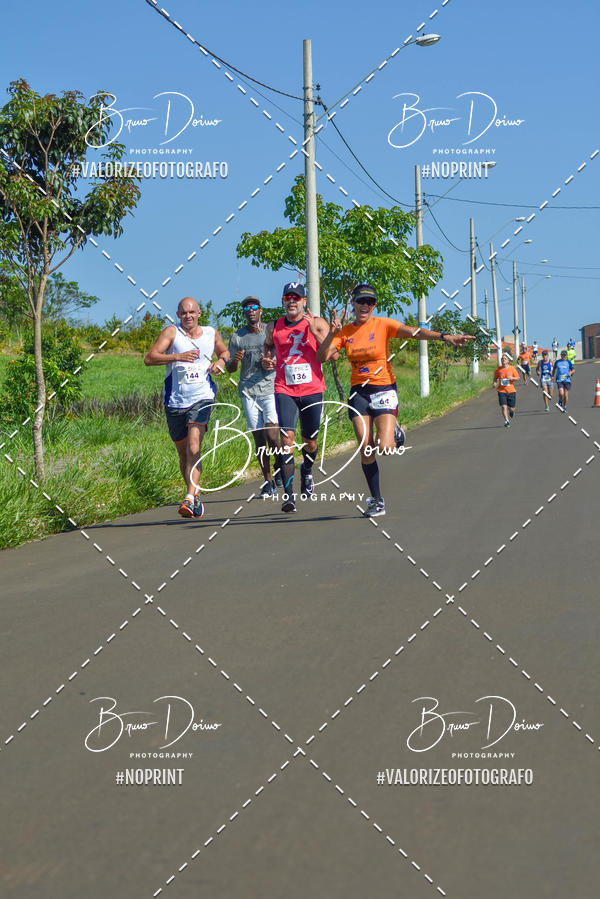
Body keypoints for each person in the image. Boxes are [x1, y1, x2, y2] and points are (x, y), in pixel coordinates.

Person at [317, 283, 474, 517]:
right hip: (358, 391)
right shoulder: (345, 331)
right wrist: (331, 332)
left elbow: (415, 332)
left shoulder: (383, 324)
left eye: (369, 302)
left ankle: (394, 432)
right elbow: (321, 357)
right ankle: (377, 500)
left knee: (386, 447)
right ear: (353, 303)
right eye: (361, 301)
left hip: (384, 389)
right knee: (365, 448)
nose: (365, 306)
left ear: (374, 305)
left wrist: (445, 337)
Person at [144, 297, 229, 518]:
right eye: (183, 313)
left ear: (199, 313)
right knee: (183, 453)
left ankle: (189, 498)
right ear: (178, 315)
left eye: (192, 312)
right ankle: (195, 494)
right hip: (175, 401)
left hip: (202, 397)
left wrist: (220, 363)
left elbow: (225, 353)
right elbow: (149, 358)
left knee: (194, 447)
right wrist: (178, 356)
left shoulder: (211, 333)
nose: (188, 316)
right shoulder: (172, 333)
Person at [262, 282, 333, 513]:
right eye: (287, 297)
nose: (292, 301)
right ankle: (289, 496)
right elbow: (268, 346)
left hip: (312, 389)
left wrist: (314, 333)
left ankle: (307, 470)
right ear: (283, 301)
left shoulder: (318, 323)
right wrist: (268, 359)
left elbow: (332, 355)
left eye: (296, 297)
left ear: (304, 301)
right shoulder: (273, 326)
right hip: (285, 389)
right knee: (287, 441)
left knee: (310, 442)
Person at [227, 296, 282, 498]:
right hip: (248, 392)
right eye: (247, 308)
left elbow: (281, 356)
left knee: (273, 436)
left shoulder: (271, 330)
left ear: (261, 310)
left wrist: (273, 362)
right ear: (243, 313)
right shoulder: (237, 337)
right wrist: (234, 360)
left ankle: (278, 467)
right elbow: (231, 369)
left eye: (254, 307)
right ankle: (267, 481)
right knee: (259, 439)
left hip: (269, 389)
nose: (251, 310)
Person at [493, 352, 520, 427]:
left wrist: (512, 378)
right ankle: (506, 421)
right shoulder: (498, 369)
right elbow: (495, 378)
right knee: (503, 406)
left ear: (508, 360)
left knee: (512, 408)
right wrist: (494, 383)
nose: (503, 360)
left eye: (505, 359)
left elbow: (518, 378)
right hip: (501, 391)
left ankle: (511, 412)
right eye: (502, 359)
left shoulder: (512, 368)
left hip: (511, 391)